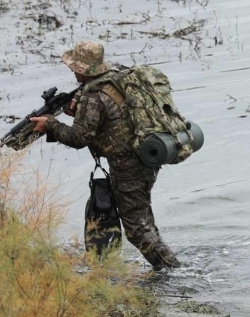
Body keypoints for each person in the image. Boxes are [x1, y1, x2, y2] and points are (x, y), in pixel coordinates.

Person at [29, 41, 180, 269]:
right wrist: (77, 113)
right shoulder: (115, 78)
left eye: (74, 67)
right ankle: (167, 267)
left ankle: (172, 271)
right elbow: (113, 119)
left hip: (129, 165)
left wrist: (50, 124)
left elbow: (79, 138)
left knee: (137, 229)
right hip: (143, 157)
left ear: (82, 68)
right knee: (142, 221)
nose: (72, 71)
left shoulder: (94, 95)